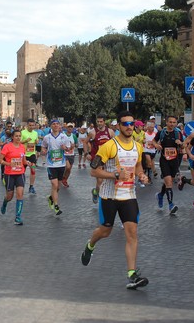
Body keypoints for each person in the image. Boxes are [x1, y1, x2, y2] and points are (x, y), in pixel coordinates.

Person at [80, 111, 150, 290]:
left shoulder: (138, 146)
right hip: (109, 196)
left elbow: (138, 165)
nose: (129, 127)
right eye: (125, 124)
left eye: (131, 124)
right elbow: (94, 171)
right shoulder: (109, 146)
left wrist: (141, 175)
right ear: (118, 126)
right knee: (105, 232)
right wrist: (115, 174)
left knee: (132, 233)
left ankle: (132, 274)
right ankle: (90, 245)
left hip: (129, 195)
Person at [0, 128, 29, 225]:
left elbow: (23, 161)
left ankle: (18, 217)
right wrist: (9, 164)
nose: (18, 137)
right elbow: (0, 160)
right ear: (12, 137)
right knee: (10, 196)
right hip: (9, 174)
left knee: (20, 194)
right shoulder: (7, 147)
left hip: (20, 173)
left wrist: (29, 163)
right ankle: (5, 203)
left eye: (19, 136)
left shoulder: (22, 147)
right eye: (16, 136)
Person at [42, 119, 73, 216]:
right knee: (54, 185)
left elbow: (68, 148)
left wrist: (66, 148)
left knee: (58, 187)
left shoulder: (64, 137)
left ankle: (51, 198)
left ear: (60, 126)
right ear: (50, 126)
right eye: (53, 124)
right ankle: (56, 206)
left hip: (61, 164)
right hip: (51, 165)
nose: (55, 126)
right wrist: (43, 151)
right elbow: (43, 147)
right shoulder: (47, 137)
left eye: (57, 124)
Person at [155, 116, 184, 215]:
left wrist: (180, 143)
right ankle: (171, 205)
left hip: (174, 160)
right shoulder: (161, 133)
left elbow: (183, 145)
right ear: (166, 122)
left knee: (169, 181)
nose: (172, 124)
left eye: (174, 122)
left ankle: (160, 195)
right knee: (168, 182)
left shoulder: (178, 133)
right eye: (170, 122)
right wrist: (157, 145)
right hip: (164, 160)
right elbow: (154, 141)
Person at [88, 114, 115, 204]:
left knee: (107, 179)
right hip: (97, 159)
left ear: (104, 122)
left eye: (101, 121)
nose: (99, 123)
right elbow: (85, 142)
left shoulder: (110, 132)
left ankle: (97, 192)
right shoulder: (93, 132)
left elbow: (115, 144)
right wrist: (87, 153)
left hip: (108, 159)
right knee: (100, 180)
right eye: (98, 122)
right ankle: (100, 196)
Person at [21, 118, 39, 194]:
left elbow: (36, 142)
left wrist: (36, 142)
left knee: (33, 169)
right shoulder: (22, 132)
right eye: (30, 125)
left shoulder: (35, 133)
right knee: (22, 171)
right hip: (23, 155)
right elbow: (18, 142)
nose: (31, 127)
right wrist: (25, 141)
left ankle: (31, 186)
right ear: (27, 125)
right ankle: (20, 186)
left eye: (33, 125)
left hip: (32, 154)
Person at [62, 123, 78, 187]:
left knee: (69, 169)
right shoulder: (63, 135)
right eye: (69, 127)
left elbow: (77, 144)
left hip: (71, 154)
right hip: (64, 154)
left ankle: (65, 179)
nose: (70, 128)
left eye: (71, 127)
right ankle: (62, 176)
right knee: (67, 167)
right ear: (66, 128)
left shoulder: (74, 136)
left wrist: (74, 145)